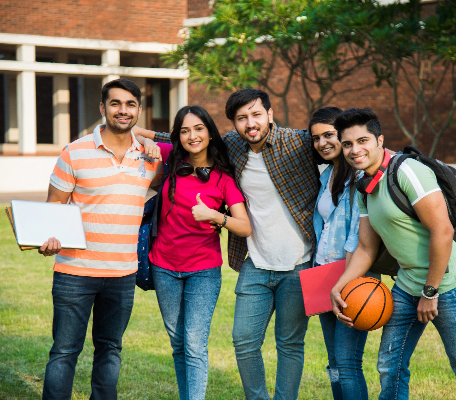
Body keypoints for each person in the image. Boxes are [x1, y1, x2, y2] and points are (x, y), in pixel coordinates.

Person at [135, 88, 321, 400]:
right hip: (255, 263)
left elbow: (333, 142)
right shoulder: (232, 145)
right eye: (241, 118)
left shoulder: (297, 142)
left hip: (300, 263)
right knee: (244, 341)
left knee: (290, 343)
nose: (250, 123)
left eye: (256, 114)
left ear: (270, 115)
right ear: (232, 124)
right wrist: (145, 136)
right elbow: (181, 135)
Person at [330, 108, 456, 400]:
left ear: (379, 140)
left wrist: (430, 292)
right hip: (407, 286)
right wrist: (340, 285)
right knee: (390, 366)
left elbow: (442, 231)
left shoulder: (407, 171)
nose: (355, 150)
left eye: (363, 140)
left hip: (447, 285)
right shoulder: (363, 185)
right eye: (347, 144)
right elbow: (367, 247)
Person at [37, 78, 164, 399]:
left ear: (139, 109)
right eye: (115, 103)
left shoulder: (150, 157)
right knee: (65, 351)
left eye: (130, 104)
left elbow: (190, 142)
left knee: (110, 350)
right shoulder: (74, 152)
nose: (123, 110)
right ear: (102, 108)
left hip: (123, 274)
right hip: (74, 273)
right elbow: (53, 207)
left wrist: (150, 141)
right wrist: (47, 238)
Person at [148, 105, 251, 400]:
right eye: (184, 131)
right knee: (178, 343)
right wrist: (148, 144)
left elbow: (244, 227)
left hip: (202, 271)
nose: (192, 136)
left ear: (209, 132)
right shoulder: (170, 160)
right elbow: (135, 134)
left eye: (198, 128)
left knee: (194, 343)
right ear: (177, 137)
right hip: (163, 266)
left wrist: (214, 216)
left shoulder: (223, 179)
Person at [310, 107, 377, 400]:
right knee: (335, 363)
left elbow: (359, 238)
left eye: (329, 135)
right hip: (322, 275)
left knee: (348, 363)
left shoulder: (361, 178)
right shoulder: (327, 177)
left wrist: (344, 284)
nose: (322, 142)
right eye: (316, 138)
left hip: (352, 277)